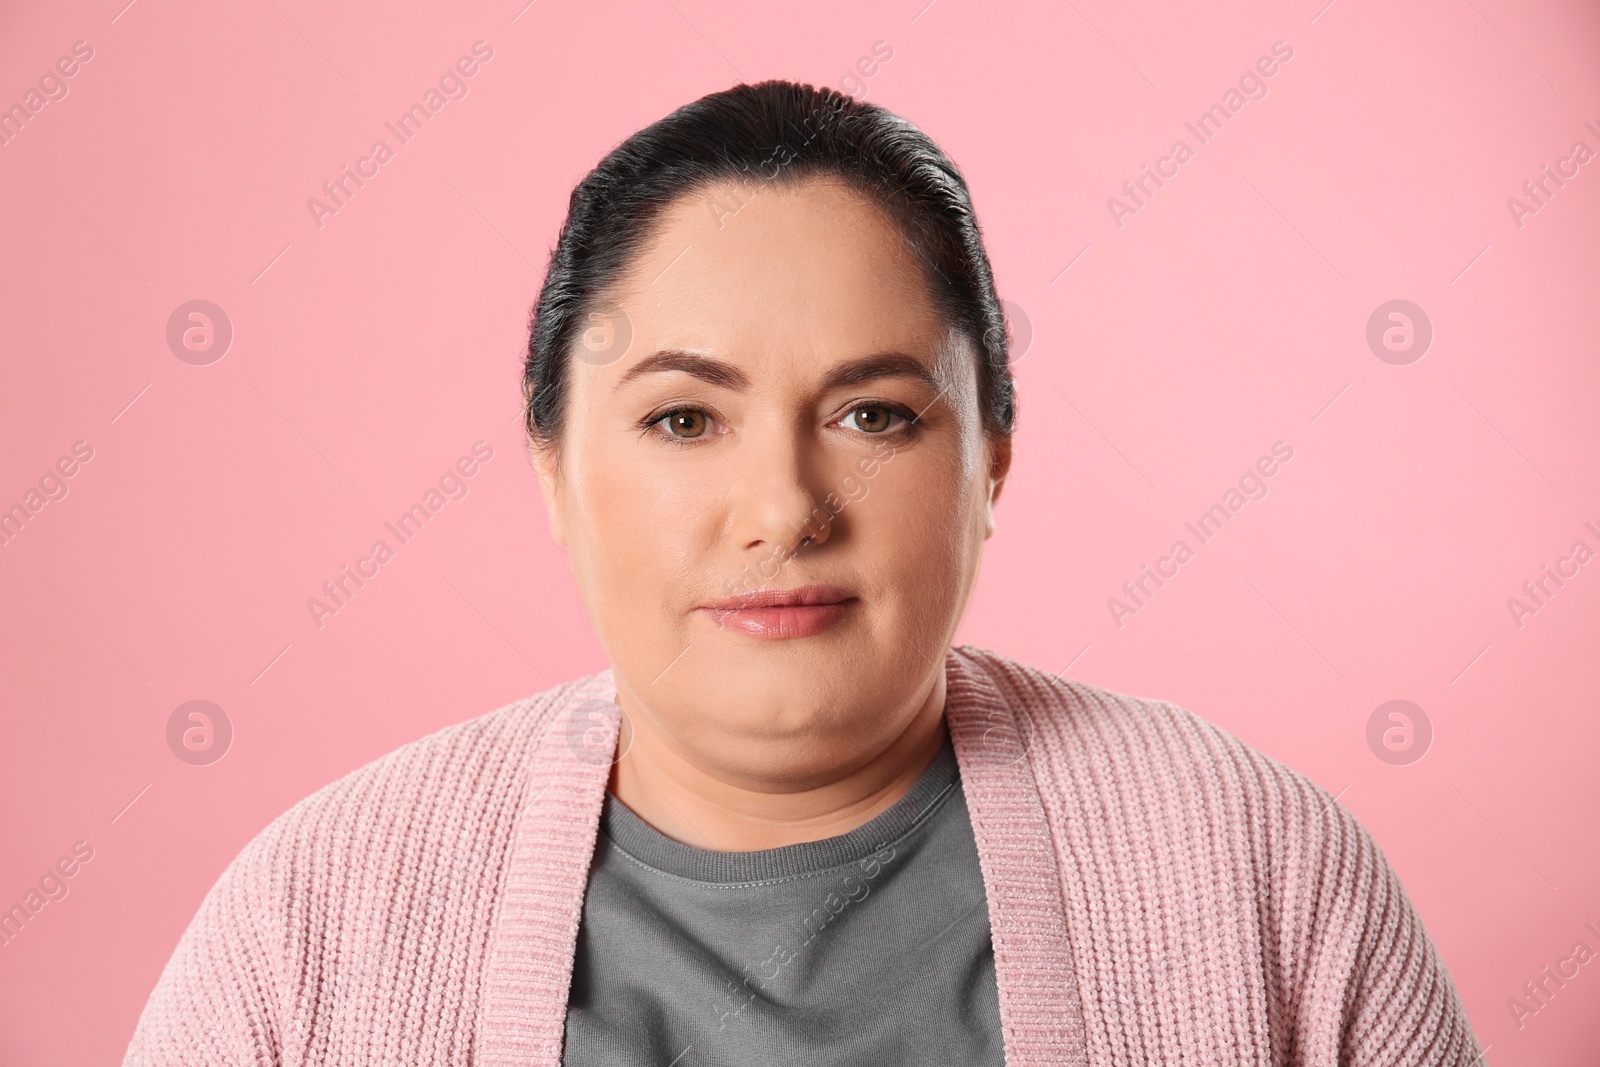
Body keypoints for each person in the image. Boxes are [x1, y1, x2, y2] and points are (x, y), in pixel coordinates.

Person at [123, 79, 1483, 1066]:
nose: (781, 509)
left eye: (874, 414)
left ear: (992, 458)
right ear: (549, 464)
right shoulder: (314, 921)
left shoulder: (1264, 876)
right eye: (681, 419)